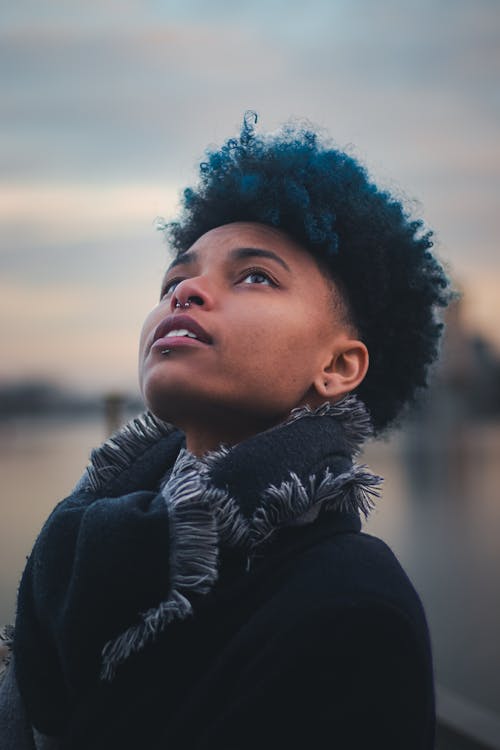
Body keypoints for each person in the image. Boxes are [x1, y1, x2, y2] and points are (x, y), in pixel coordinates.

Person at [0, 112, 450, 749]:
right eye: (175, 280)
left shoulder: (350, 608)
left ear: (338, 365)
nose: (186, 294)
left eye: (255, 276)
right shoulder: (82, 536)